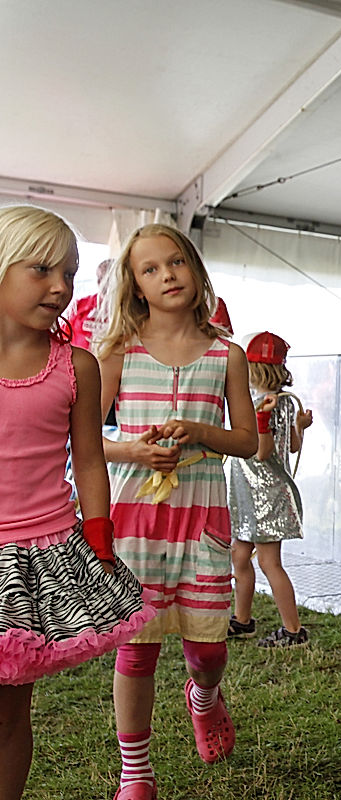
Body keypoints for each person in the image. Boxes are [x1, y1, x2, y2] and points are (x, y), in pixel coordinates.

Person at [94, 223, 258, 800]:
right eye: (151, 269)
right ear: (135, 286)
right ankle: (135, 773)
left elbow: (247, 441)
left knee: (208, 648)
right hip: (136, 515)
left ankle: (204, 697)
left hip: (202, 514)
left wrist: (200, 432)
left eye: (176, 263)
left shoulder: (227, 355)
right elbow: (82, 438)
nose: (167, 275)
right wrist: (133, 448)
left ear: (194, 269)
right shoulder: (117, 353)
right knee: (136, 648)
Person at [0, 206, 155, 800]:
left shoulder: (77, 366)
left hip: (35, 559)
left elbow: (89, 458)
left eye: (68, 272)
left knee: (10, 712)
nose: (61, 286)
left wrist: (98, 534)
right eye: (41, 269)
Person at [227, 331, 314, 648]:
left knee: (268, 562)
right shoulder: (276, 402)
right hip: (251, 495)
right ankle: (242, 620)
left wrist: (261, 421)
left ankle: (294, 631)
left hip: (267, 496)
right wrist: (299, 428)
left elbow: (262, 453)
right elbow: (291, 446)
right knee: (239, 555)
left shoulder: (267, 405)